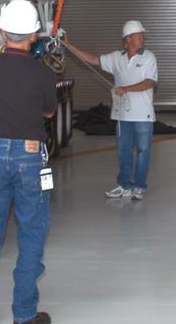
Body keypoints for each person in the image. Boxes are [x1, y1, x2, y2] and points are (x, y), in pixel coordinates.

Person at [0, 0, 57, 324]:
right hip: (30, 156)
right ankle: (24, 315)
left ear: (2, 32)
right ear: (35, 34)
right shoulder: (43, 73)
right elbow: (48, 112)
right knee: (31, 233)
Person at [64, 20, 158, 200]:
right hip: (122, 115)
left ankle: (139, 186)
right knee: (124, 150)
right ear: (128, 38)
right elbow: (92, 59)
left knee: (144, 150)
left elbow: (149, 82)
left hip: (143, 115)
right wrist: (69, 46)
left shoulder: (148, 57)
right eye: (139, 35)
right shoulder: (116, 58)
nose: (142, 38)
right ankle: (124, 185)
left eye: (142, 35)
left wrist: (126, 89)